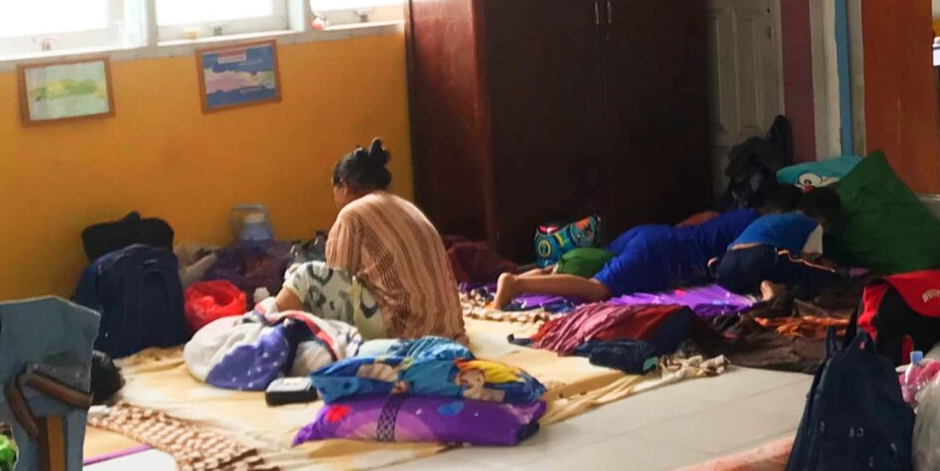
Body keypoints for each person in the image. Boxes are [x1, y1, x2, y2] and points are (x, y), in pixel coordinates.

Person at [267, 139, 464, 342]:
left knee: (306, 277)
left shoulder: (352, 215)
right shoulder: (406, 206)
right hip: (448, 329)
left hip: (406, 330)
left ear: (343, 185)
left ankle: (262, 329)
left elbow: (334, 280)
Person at [491, 207, 757, 308]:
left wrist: (675, 234)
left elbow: (707, 216)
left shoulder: (743, 215)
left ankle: (528, 278)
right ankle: (517, 284)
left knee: (598, 264)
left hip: (652, 236)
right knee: (598, 289)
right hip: (658, 255)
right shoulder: (760, 228)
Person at [712, 186, 842, 299]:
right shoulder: (814, 226)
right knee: (826, 278)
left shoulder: (773, 217)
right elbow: (806, 262)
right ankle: (774, 288)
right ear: (825, 221)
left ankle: (764, 286)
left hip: (727, 267)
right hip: (761, 257)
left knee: (760, 272)